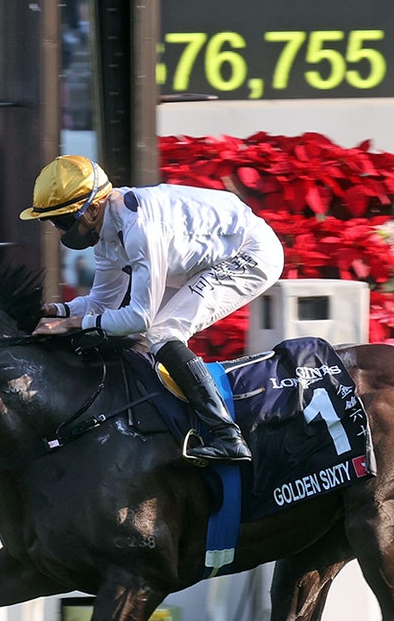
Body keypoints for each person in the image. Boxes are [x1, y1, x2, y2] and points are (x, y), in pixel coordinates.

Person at [23, 154, 284, 463]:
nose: (59, 230)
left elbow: (138, 317)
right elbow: (101, 303)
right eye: (52, 222)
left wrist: (74, 325)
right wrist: (59, 312)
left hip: (249, 252)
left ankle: (228, 436)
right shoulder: (105, 233)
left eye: (63, 221)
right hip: (201, 260)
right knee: (144, 336)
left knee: (162, 331)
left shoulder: (138, 229)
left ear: (93, 209)